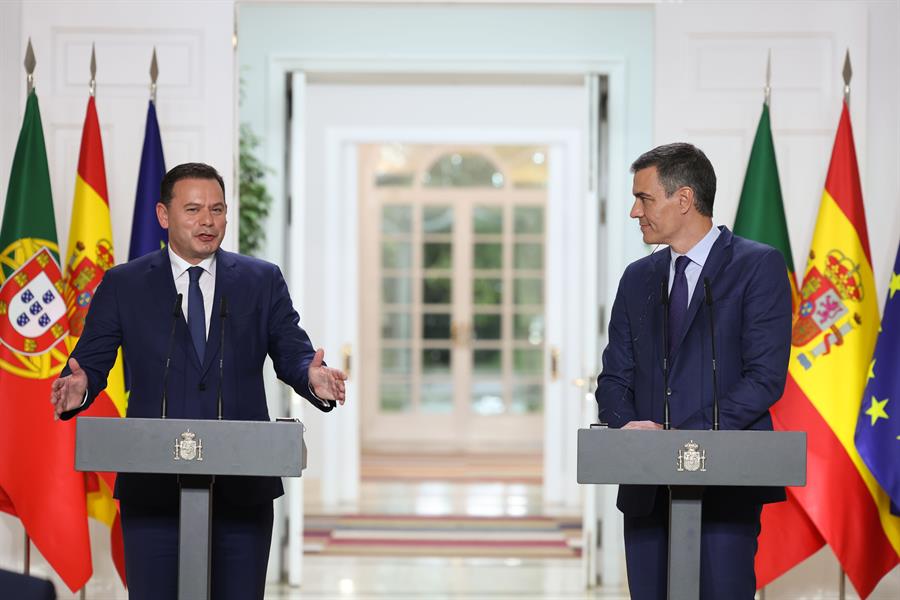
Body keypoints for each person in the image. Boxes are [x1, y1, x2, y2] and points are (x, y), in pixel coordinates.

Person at [50, 162, 347, 600]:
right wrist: (79, 387)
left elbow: (291, 349)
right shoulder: (124, 284)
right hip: (153, 490)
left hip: (242, 487)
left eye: (217, 209)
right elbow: (90, 363)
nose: (208, 221)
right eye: (193, 210)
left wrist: (311, 374)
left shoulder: (261, 280)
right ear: (163, 215)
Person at [595, 143, 792, 599]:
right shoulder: (636, 278)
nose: (634, 211)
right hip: (645, 483)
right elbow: (614, 377)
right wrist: (626, 424)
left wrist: (681, 438)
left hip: (725, 481)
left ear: (683, 199)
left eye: (643, 198)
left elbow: (764, 378)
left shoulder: (757, 266)